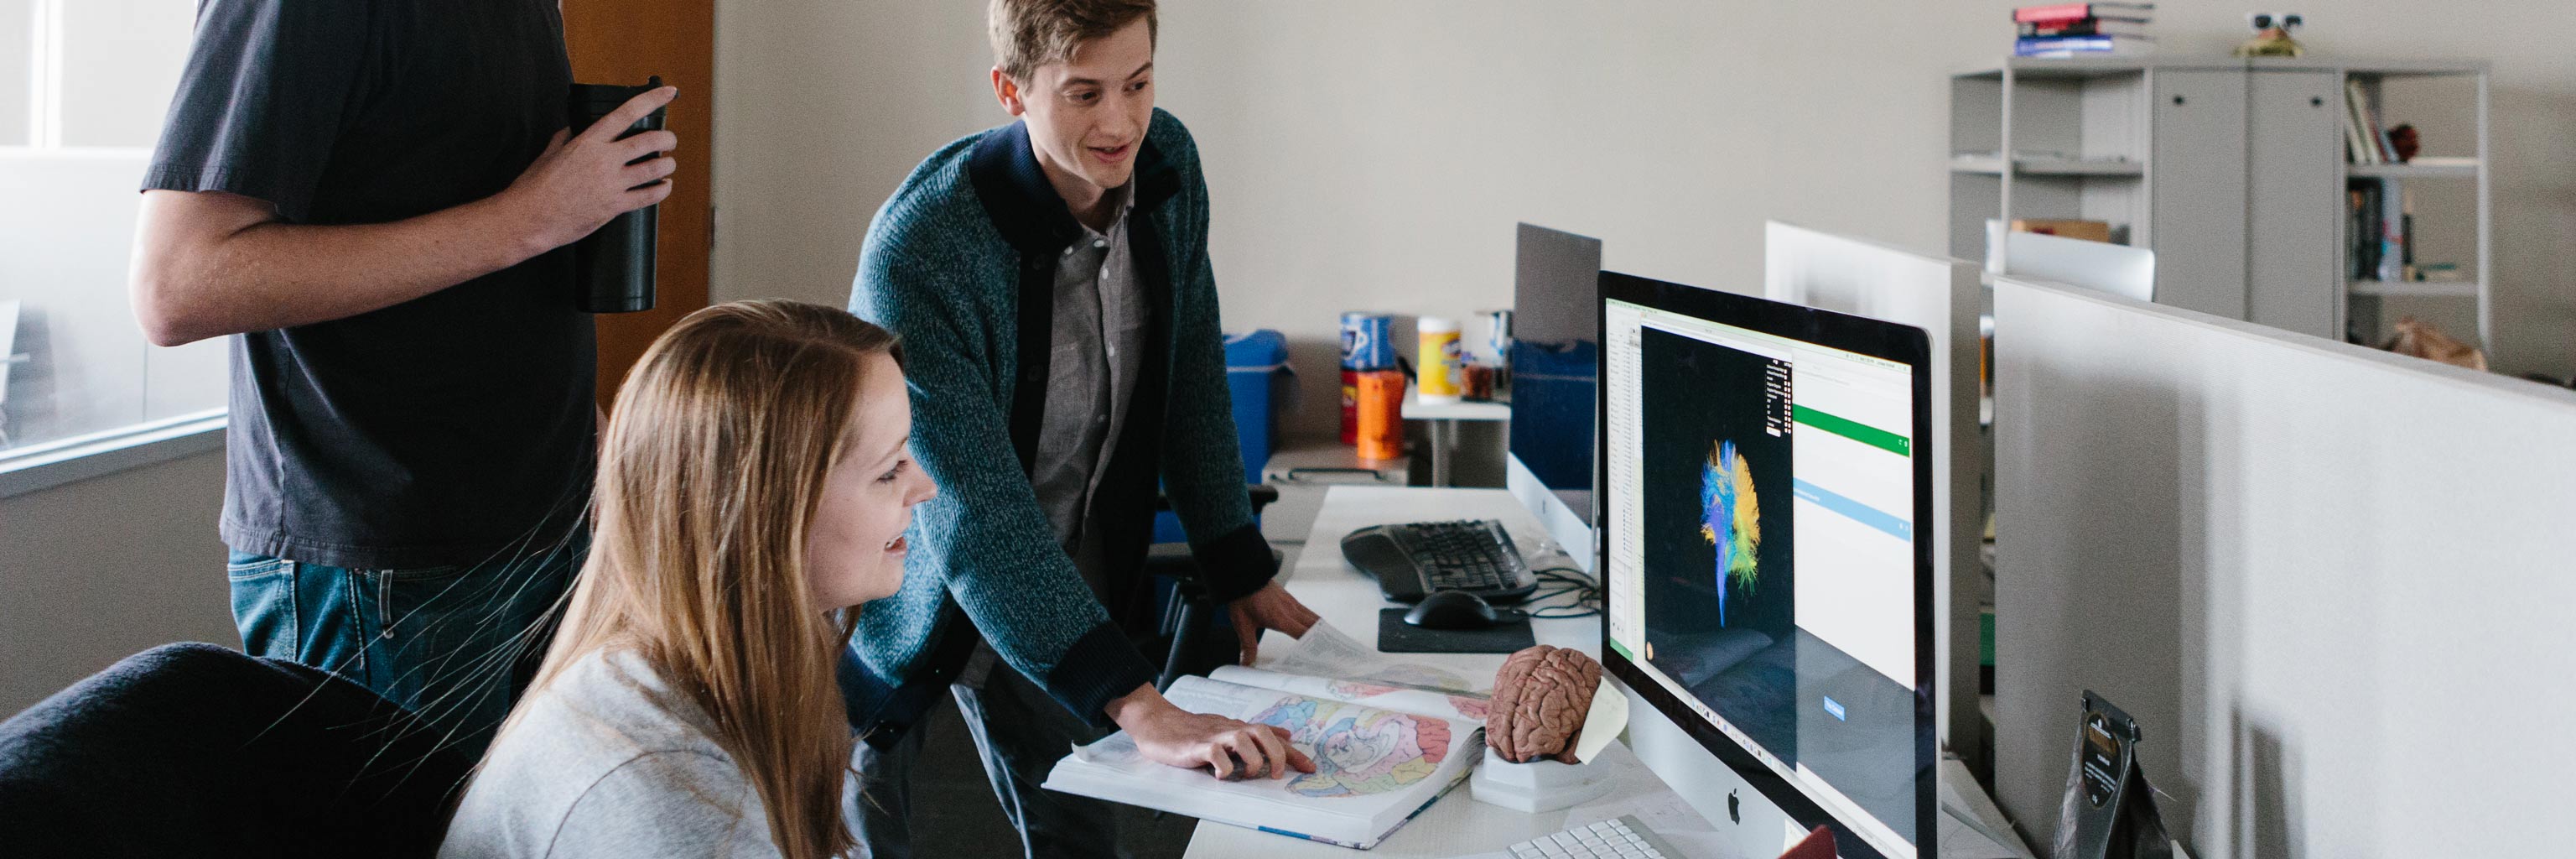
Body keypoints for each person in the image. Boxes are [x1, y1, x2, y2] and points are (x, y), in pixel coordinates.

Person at [126, 0, 677, 753]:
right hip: (386, 565)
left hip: (550, 526)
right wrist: (532, 218)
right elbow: (177, 285)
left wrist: (593, 443)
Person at [844, 0, 1318, 854]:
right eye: (1084, 93)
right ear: (1009, 90)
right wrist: (1140, 704)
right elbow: (971, 511)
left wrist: (1237, 561)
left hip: (1068, 583)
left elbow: (1190, 374)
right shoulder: (923, 250)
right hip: (912, 579)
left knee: (1079, 836)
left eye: (1138, 84)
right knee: (853, 821)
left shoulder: (1168, 164)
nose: (1120, 122)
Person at [440, 300, 937, 859]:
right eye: (889, 469)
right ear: (762, 513)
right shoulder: (670, 799)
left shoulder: (732, 673)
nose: (925, 487)